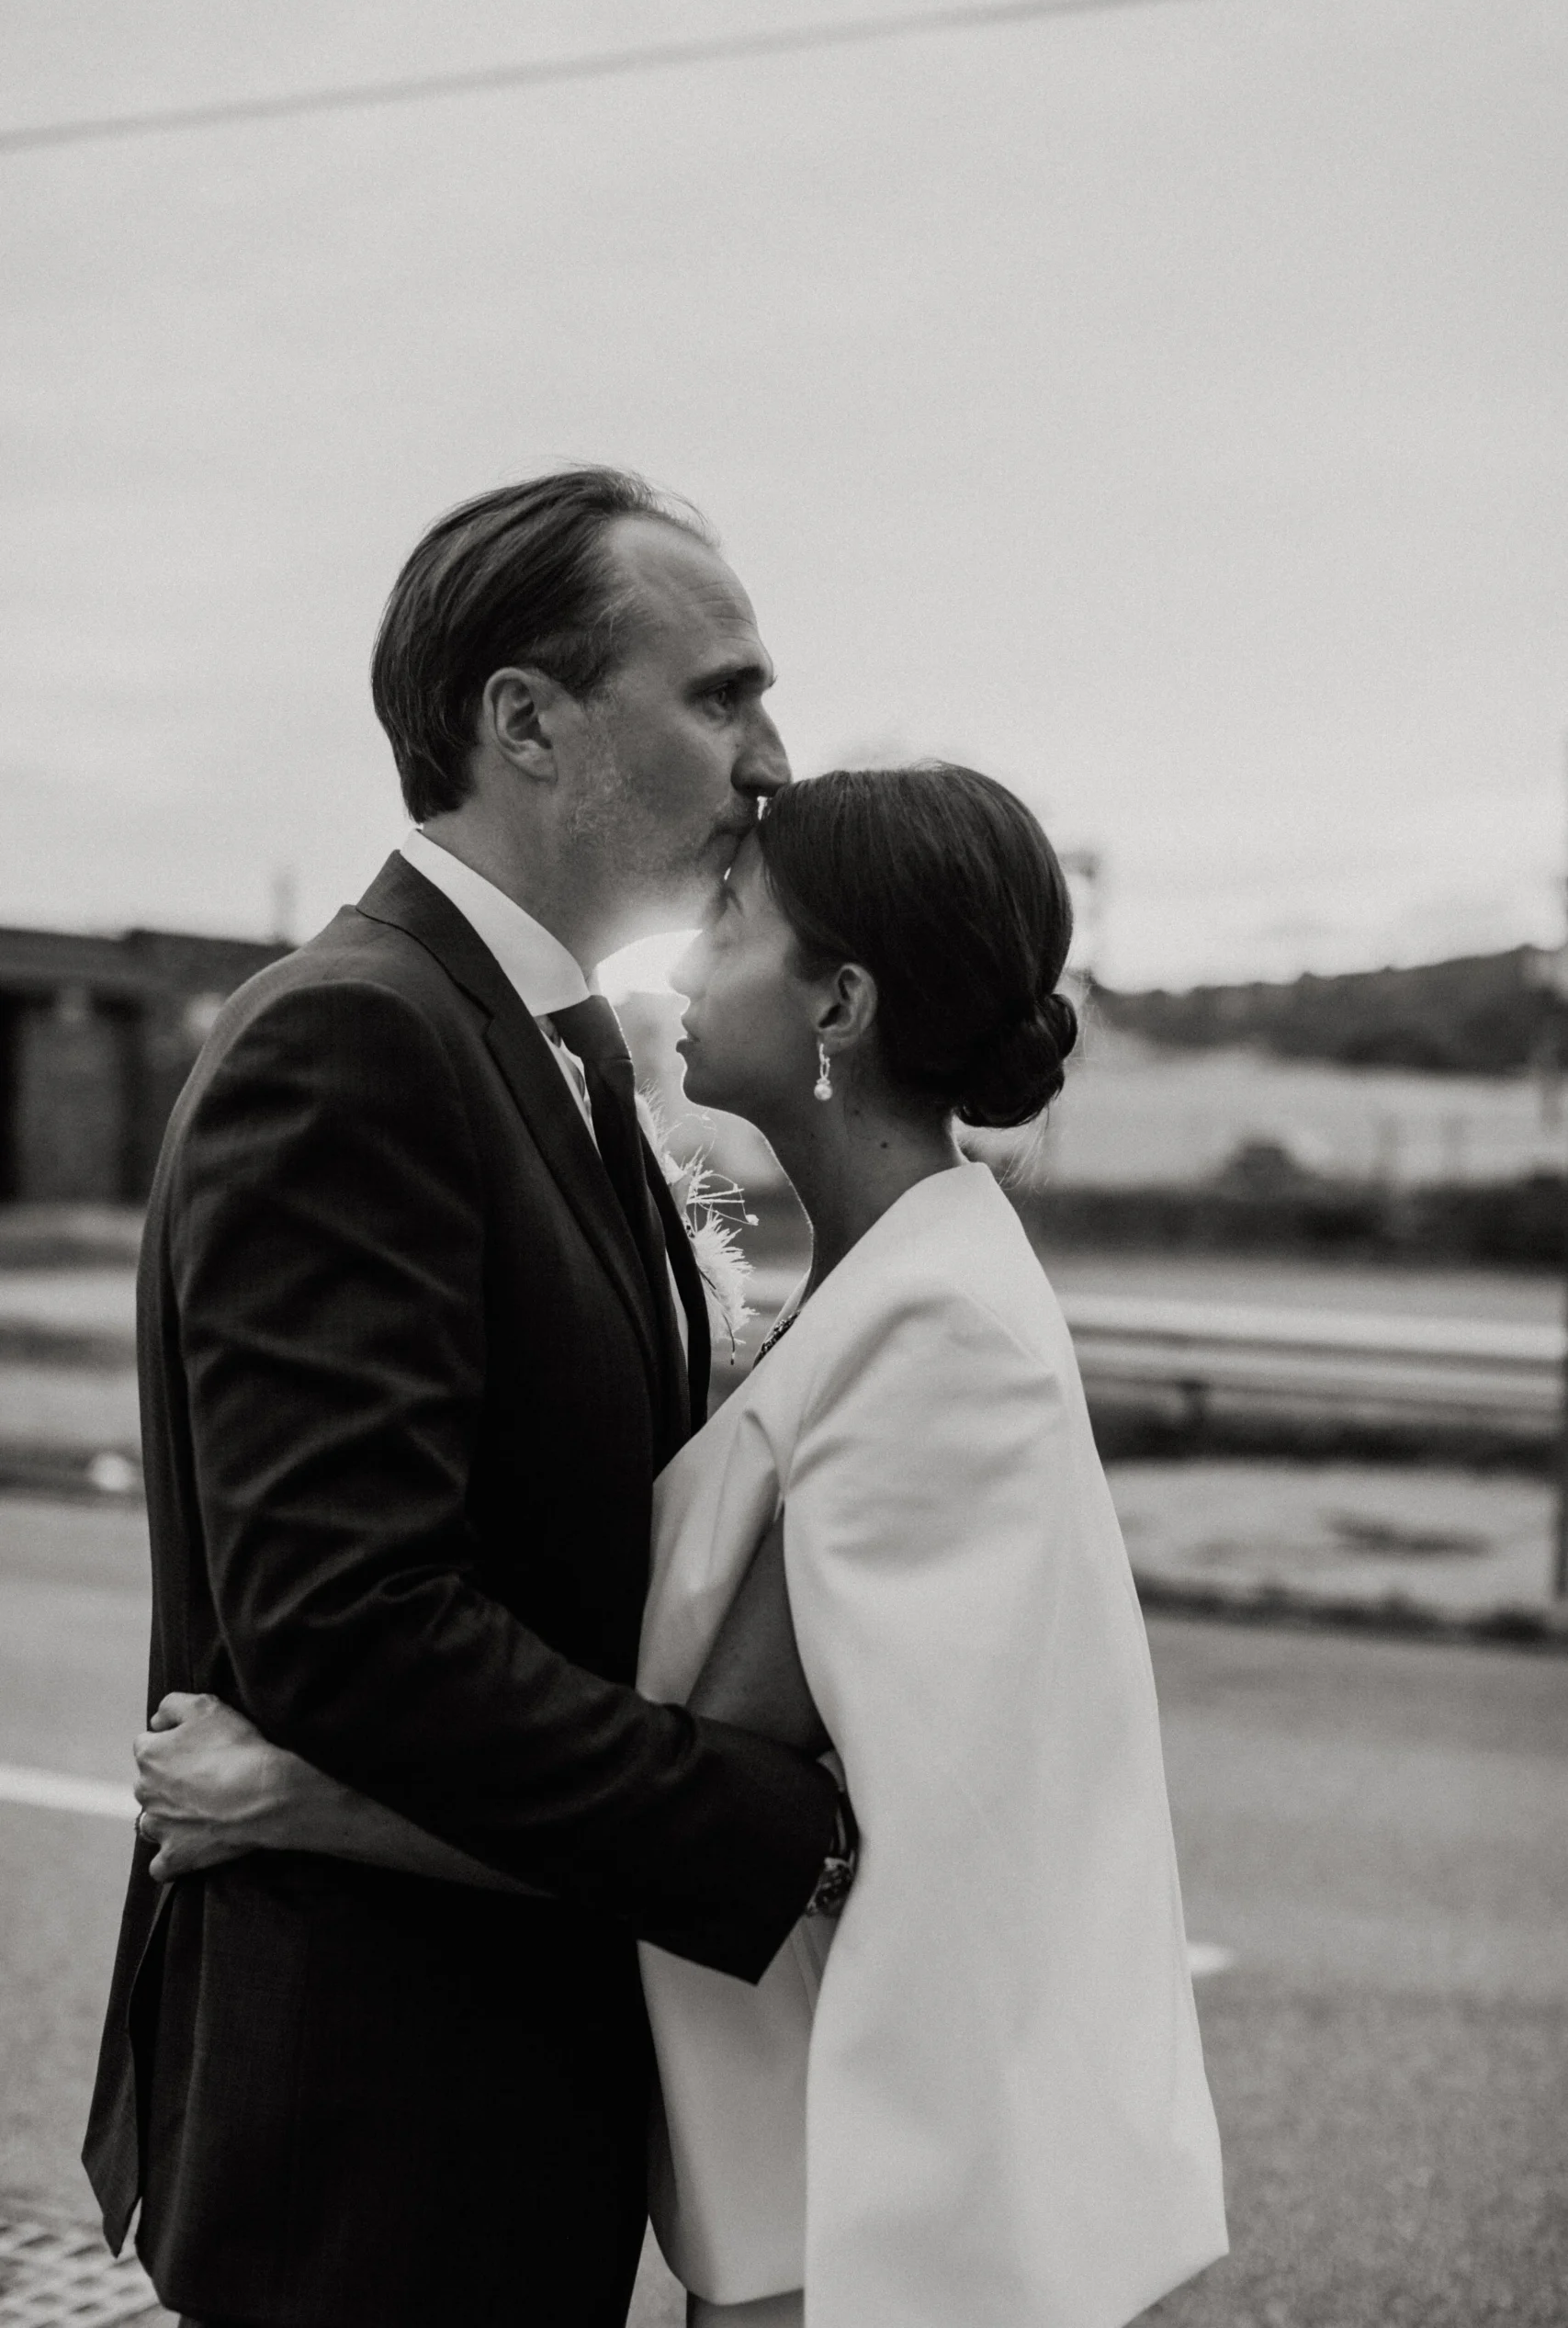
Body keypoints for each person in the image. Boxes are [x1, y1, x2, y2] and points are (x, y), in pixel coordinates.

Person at [134, 764, 1228, 2327]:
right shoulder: (877, 1282)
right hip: (811, 2160)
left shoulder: (932, 1330)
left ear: (839, 1003)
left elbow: (728, 1806)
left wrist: (307, 1803)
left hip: (889, 2188)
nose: (686, 964)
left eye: (733, 926)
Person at [85, 468, 850, 2328]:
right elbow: (349, 1624)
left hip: (505, 2106)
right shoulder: (356, 1037)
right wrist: (777, 1835)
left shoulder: (552, 1045)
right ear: (525, 721)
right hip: (372, 2140)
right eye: (722, 695)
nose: (771, 762)